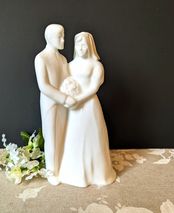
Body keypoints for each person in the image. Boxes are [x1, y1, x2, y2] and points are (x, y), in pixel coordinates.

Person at [59, 32, 116, 187]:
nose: (81, 47)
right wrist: (67, 97)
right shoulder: (69, 65)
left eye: (84, 44)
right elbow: (64, 83)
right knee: (73, 137)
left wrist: (78, 99)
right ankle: (73, 173)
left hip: (89, 105)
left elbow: (94, 87)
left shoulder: (96, 65)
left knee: (92, 137)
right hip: (72, 107)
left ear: (90, 46)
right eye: (78, 44)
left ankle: (97, 173)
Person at [34, 24, 77, 185]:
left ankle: (63, 166)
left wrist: (72, 91)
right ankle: (51, 170)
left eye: (64, 35)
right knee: (51, 136)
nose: (63, 39)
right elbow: (43, 86)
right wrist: (64, 98)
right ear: (49, 37)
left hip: (64, 104)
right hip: (51, 103)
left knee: (64, 134)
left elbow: (67, 80)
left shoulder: (63, 59)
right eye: (60, 36)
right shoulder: (41, 58)